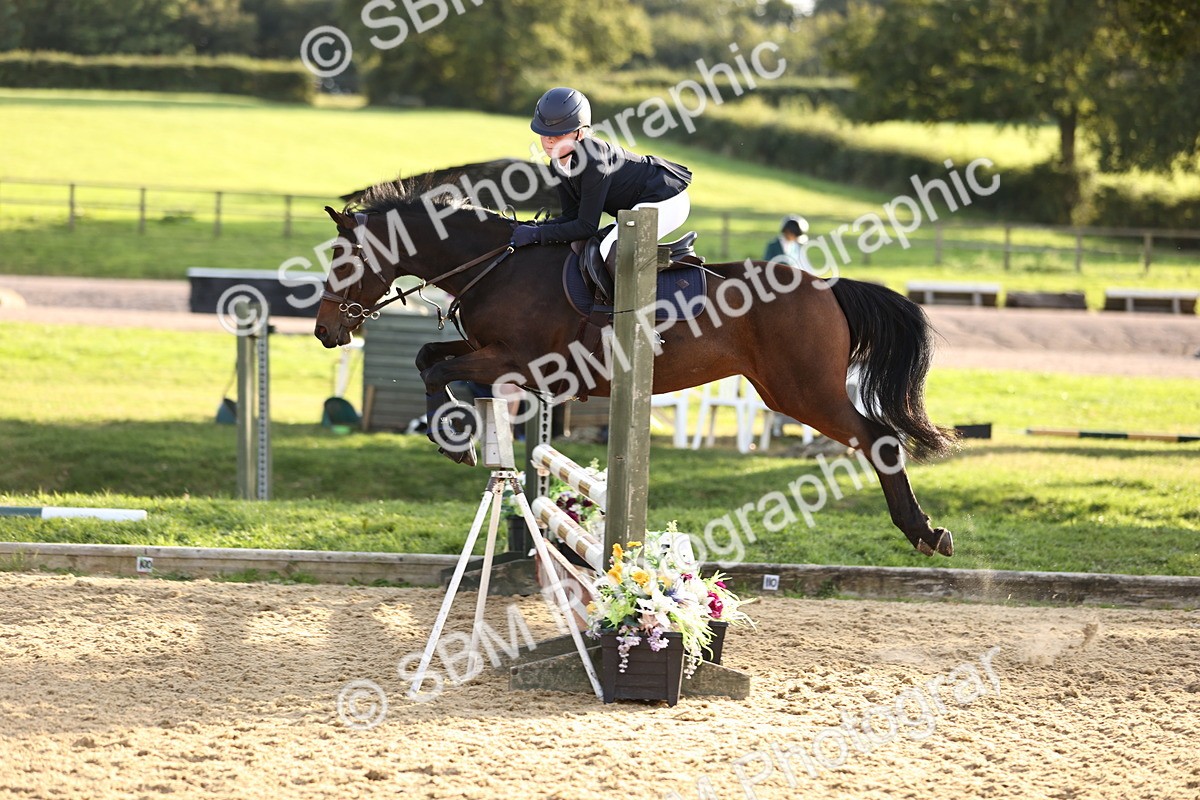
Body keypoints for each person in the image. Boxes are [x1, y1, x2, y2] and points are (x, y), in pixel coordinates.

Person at [510, 87, 693, 260]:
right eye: (544, 134)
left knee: (609, 250)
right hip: (638, 204)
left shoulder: (595, 162)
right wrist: (534, 226)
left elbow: (587, 226)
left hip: (666, 199)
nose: (549, 141)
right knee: (597, 246)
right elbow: (571, 216)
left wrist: (537, 234)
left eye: (558, 134)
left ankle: (646, 292)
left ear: (580, 134)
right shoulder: (558, 163)